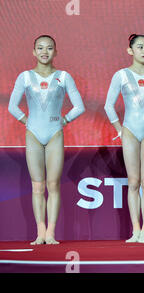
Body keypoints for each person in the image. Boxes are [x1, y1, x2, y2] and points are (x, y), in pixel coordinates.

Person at [8, 35, 85, 245]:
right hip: (33, 134)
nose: (45, 52)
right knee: (37, 186)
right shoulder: (24, 77)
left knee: (53, 185)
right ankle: (40, 232)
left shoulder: (64, 77)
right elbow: (12, 106)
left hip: (54, 134)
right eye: (40, 48)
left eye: (49, 48)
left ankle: (51, 233)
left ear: (56, 52)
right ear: (33, 52)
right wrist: (27, 121)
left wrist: (64, 120)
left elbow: (79, 106)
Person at [104, 34, 144, 243]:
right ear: (130, 50)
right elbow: (108, 105)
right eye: (140, 47)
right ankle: (135, 230)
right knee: (133, 181)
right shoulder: (121, 75)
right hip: (130, 131)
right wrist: (119, 129)